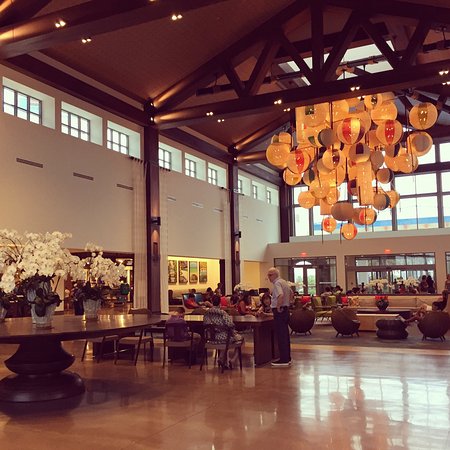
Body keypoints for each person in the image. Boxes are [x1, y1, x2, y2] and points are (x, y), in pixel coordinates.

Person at [203, 295, 244, 369]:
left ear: (212, 301)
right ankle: (233, 360)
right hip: (223, 338)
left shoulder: (206, 313)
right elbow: (231, 325)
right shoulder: (222, 313)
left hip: (211, 338)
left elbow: (205, 323)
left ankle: (221, 357)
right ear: (220, 303)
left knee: (226, 339)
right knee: (240, 339)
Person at [267, 267, 292, 367]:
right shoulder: (284, 282)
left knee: (281, 335)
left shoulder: (277, 283)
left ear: (275, 275)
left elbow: (280, 295)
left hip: (280, 311)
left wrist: (278, 307)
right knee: (285, 335)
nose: (268, 277)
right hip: (285, 309)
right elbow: (291, 293)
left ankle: (284, 359)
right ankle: (287, 357)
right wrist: (288, 303)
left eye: (270, 275)